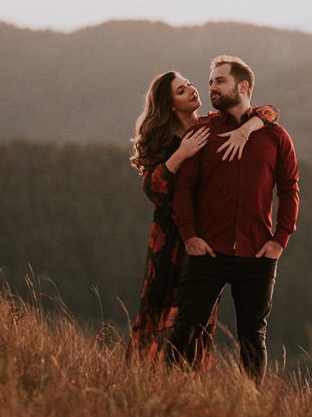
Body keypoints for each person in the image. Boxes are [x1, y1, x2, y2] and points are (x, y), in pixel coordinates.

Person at [128, 70, 279, 364]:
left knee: (197, 322)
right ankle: (142, 378)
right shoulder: (165, 140)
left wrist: (246, 129)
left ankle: (188, 385)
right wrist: (181, 154)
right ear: (170, 105)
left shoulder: (213, 125)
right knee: (158, 311)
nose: (193, 90)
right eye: (181, 91)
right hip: (170, 242)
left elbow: (268, 112)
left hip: (207, 240)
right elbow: (153, 188)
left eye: (189, 85)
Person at [168, 55, 299, 383]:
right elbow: (183, 188)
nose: (211, 87)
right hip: (207, 251)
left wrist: (280, 240)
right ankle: (167, 394)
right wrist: (189, 237)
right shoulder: (203, 132)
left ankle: (252, 405)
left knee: (253, 336)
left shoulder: (275, 137)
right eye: (210, 81)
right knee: (186, 328)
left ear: (242, 86)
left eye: (219, 81)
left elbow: (289, 189)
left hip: (257, 253)